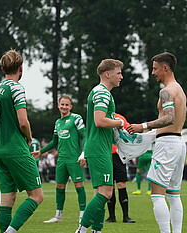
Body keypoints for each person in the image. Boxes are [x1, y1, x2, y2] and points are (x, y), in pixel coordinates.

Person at [127, 52, 187, 233]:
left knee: (157, 194)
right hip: (178, 142)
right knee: (174, 194)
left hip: (167, 144)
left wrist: (143, 126)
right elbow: (184, 115)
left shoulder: (166, 91)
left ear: (165, 68)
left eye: (155, 68)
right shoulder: (180, 90)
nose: (153, 72)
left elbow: (169, 117)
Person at [0, 49, 43, 233]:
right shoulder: (16, 87)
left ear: (3, 68)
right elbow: (22, 121)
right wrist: (29, 138)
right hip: (15, 148)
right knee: (36, 195)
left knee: (7, 199)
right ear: (21, 68)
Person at [75, 59, 125, 233]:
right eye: (118, 73)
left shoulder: (100, 92)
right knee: (106, 193)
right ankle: (81, 230)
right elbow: (99, 120)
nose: (121, 76)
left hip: (98, 147)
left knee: (101, 193)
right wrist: (119, 123)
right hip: (98, 148)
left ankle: (97, 230)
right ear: (107, 74)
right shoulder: (102, 93)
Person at [32, 95, 87, 225]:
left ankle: (82, 215)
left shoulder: (76, 118)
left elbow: (84, 136)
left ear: (71, 106)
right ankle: (58, 215)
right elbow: (54, 142)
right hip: (61, 159)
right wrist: (41, 151)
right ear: (58, 105)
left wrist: (84, 154)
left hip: (75, 158)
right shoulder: (58, 123)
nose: (64, 107)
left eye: (66, 105)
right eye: (62, 104)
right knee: (59, 186)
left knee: (79, 186)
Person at [105, 113, 135, 223]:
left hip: (118, 155)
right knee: (109, 186)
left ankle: (126, 216)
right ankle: (111, 217)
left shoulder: (119, 117)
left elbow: (128, 129)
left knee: (121, 184)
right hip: (105, 155)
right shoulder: (99, 116)